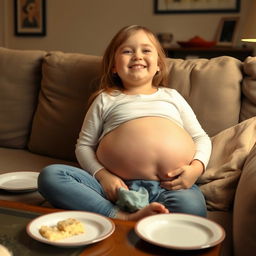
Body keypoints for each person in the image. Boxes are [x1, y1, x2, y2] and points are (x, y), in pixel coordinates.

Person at [38, 25, 212, 221]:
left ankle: (150, 219)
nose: (137, 56)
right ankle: (120, 216)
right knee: (51, 176)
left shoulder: (171, 96)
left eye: (146, 50)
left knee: (193, 209)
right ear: (113, 66)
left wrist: (196, 169)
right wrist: (104, 176)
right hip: (117, 188)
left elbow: (200, 138)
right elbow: (84, 146)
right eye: (127, 51)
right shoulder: (106, 99)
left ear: (158, 66)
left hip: (171, 187)